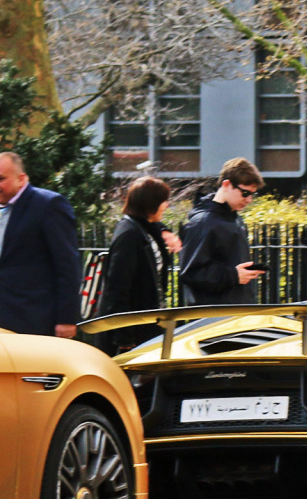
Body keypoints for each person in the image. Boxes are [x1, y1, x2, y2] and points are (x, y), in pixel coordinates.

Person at [0, 151, 82, 337]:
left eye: (1, 179)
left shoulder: (48, 205)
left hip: (33, 321)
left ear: (21, 179)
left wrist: (67, 319)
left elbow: (67, 265)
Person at [97, 177, 176, 354]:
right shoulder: (129, 235)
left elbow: (154, 227)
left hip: (145, 326)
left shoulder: (142, 228)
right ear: (150, 204)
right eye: (164, 201)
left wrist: (165, 232)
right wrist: (125, 338)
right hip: (131, 337)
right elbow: (117, 289)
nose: (167, 206)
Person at [179, 157, 264, 305]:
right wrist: (233, 275)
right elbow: (191, 273)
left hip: (238, 311)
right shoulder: (204, 222)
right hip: (214, 316)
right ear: (226, 184)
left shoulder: (236, 220)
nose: (249, 199)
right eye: (245, 193)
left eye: (253, 194)